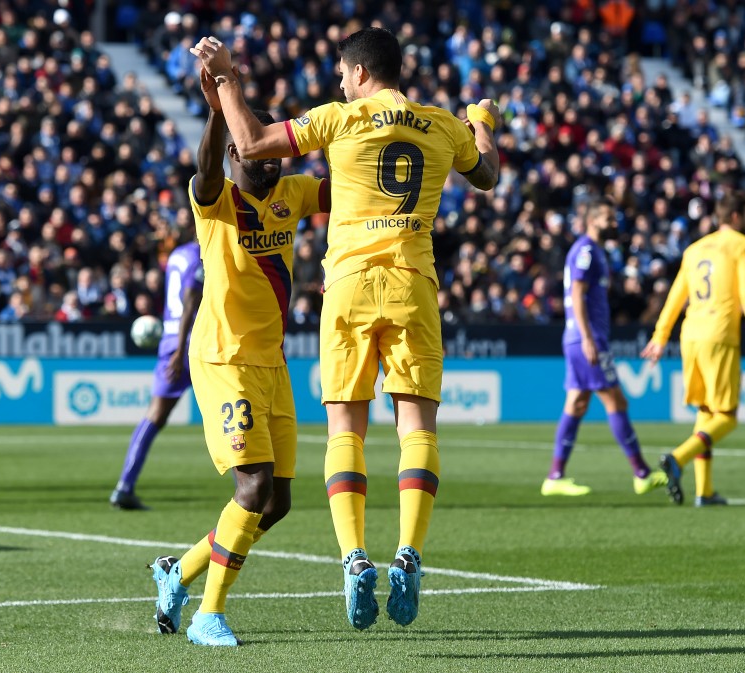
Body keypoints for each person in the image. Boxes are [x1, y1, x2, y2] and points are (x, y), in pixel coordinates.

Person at [189, 27, 499, 630]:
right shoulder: (442, 125)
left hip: (350, 284)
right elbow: (486, 174)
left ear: (358, 73)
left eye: (340, 73)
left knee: (344, 429)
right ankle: (408, 553)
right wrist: (482, 121)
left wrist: (226, 78)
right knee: (417, 427)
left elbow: (250, 143)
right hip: (413, 281)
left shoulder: (339, 119)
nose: (338, 82)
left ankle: (355, 556)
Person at [149, 67, 330, 647]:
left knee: (276, 503)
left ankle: (177, 571)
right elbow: (204, 171)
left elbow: (346, 189)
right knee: (252, 487)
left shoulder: (292, 194)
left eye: (276, 150)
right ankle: (209, 615)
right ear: (235, 152)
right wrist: (215, 110)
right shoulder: (217, 202)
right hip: (224, 358)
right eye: (258, 149)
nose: (271, 160)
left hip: (272, 363)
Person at [642, 191, 745, 506]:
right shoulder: (742, 245)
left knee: (706, 412)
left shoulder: (695, 248)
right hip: (720, 333)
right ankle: (678, 458)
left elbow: (676, 296)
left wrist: (660, 335)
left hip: (691, 335)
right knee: (727, 416)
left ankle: (705, 491)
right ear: (736, 216)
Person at [543, 201, 668, 497]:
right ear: (593, 220)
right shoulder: (586, 250)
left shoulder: (595, 251)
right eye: (609, 218)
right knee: (615, 401)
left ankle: (555, 476)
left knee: (577, 403)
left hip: (580, 337)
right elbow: (577, 293)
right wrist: (588, 338)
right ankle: (641, 473)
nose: (615, 223)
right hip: (586, 338)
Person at [108, 231, 203, 510]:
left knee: (154, 415)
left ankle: (124, 486)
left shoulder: (177, 255)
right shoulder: (203, 255)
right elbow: (190, 298)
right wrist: (181, 350)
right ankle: (250, 496)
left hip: (170, 339)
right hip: (194, 342)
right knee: (227, 416)